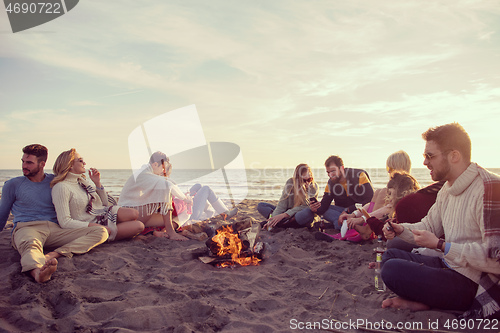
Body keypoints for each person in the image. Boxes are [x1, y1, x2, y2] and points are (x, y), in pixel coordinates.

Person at [381, 123, 500, 319]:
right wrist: (400, 229)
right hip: (449, 265)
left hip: (473, 282)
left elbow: (496, 259)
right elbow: (428, 226)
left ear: (454, 156)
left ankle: (426, 301)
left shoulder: (489, 189)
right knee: (390, 256)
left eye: (430, 156)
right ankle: (426, 300)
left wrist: (441, 245)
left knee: (392, 270)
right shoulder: (447, 189)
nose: (425, 163)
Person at [0, 144, 108, 283]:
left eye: (29, 163)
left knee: (101, 232)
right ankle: (38, 273)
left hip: (56, 229)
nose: (24, 166)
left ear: (42, 164)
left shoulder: (56, 181)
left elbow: (77, 190)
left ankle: (54, 254)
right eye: (23, 161)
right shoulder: (12, 184)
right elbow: (3, 214)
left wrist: (97, 184)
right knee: (31, 246)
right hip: (27, 227)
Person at [118, 152, 237, 239]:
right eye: (162, 169)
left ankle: (217, 212)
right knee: (205, 189)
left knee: (197, 185)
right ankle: (224, 213)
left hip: (163, 211)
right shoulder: (148, 176)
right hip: (185, 214)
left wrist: (185, 198)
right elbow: (168, 186)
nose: (162, 173)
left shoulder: (147, 174)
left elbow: (167, 189)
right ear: (155, 165)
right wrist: (186, 199)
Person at [51, 149, 144, 241]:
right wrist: (96, 226)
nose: (84, 163)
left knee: (134, 213)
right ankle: (113, 233)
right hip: (89, 226)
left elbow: (104, 203)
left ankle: (125, 231)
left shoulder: (82, 183)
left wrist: (97, 183)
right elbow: (65, 222)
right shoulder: (61, 187)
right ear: (70, 165)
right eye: (80, 160)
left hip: (101, 216)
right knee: (139, 226)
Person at [340, 172, 420, 242]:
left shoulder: (407, 213)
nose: (388, 198)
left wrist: (365, 218)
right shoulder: (399, 213)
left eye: (390, 194)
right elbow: (383, 231)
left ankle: (366, 230)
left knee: (393, 243)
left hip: (411, 242)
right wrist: (361, 215)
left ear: (400, 194)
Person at [307, 155, 374, 229]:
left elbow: (370, 200)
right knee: (326, 211)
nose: (330, 175)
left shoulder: (359, 175)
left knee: (340, 219)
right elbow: (324, 205)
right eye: (328, 172)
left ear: (341, 168)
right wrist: (316, 209)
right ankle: (342, 224)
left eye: (333, 171)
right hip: (341, 212)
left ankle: (340, 224)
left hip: (360, 211)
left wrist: (349, 210)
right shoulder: (330, 183)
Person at [257, 163, 318, 229]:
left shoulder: (313, 187)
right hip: (288, 213)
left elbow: (306, 206)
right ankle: (281, 222)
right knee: (261, 206)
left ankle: (281, 223)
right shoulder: (290, 183)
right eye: (304, 180)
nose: (307, 183)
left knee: (307, 212)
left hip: (298, 215)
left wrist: (284, 215)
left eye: (309, 179)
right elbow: (282, 204)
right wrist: (272, 220)